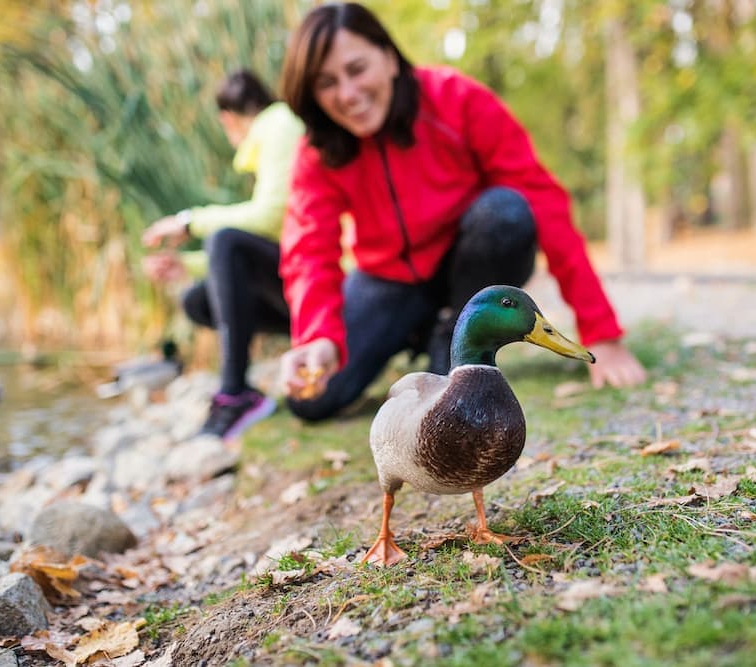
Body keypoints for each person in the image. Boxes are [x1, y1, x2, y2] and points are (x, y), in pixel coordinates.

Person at [277, 3, 646, 421]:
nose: (346, 94)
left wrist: (601, 332)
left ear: (389, 57)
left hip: (471, 267)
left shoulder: (457, 99)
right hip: (389, 282)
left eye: (357, 69)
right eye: (327, 83)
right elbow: (308, 249)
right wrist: (317, 336)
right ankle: (417, 333)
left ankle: (450, 334)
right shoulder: (318, 150)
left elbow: (545, 204)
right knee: (312, 400)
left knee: (506, 211)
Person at [142, 69, 304, 439]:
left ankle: (234, 394)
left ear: (227, 119)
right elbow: (282, 236)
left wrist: (189, 221)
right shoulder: (277, 130)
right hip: (298, 274)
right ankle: (240, 392)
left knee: (225, 240)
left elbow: (270, 216)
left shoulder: (279, 125)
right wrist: (185, 264)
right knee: (197, 301)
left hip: (335, 281)